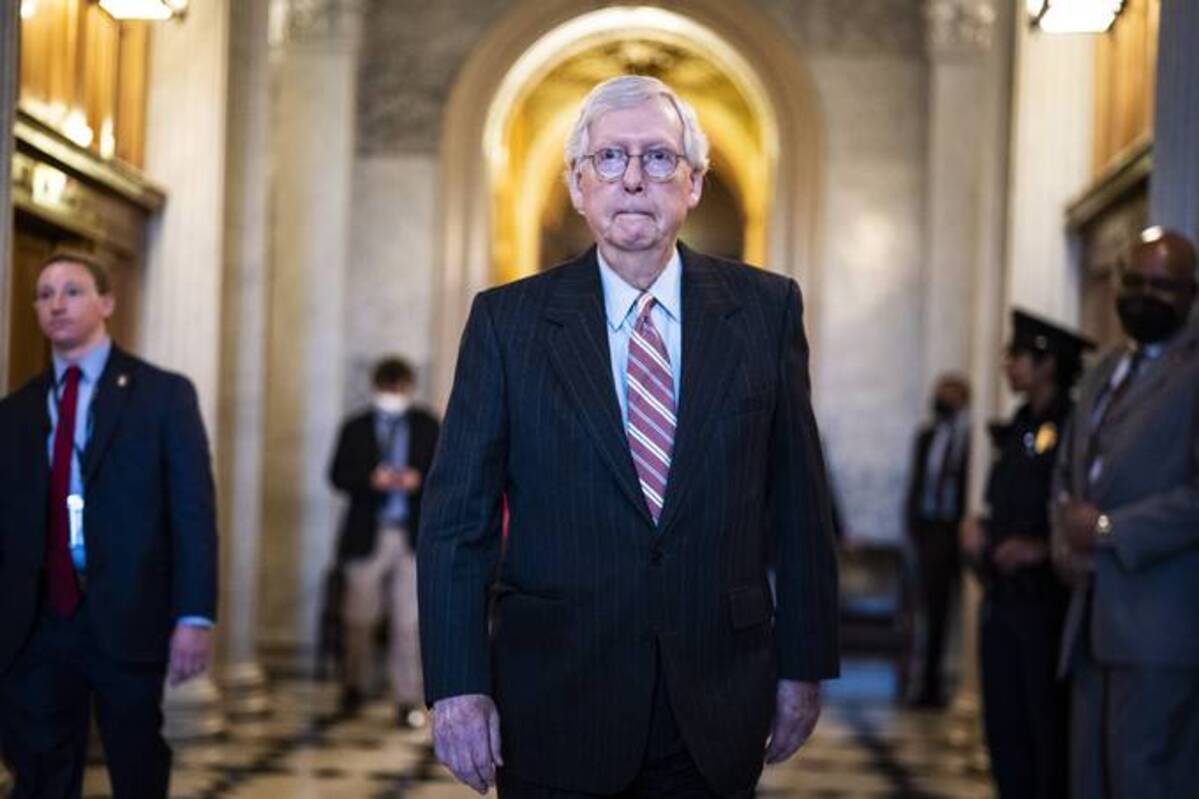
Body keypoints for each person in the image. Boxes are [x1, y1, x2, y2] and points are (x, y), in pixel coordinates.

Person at [417, 75, 840, 798]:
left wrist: (802, 664)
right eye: (610, 159)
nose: (634, 179)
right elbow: (457, 521)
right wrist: (456, 684)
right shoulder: (506, 323)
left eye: (659, 158)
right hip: (554, 695)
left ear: (694, 183)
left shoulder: (765, 311)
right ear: (578, 185)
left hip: (715, 696)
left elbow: (799, 504)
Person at [0, 251, 218, 799]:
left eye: (71, 290)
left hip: (128, 612)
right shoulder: (16, 410)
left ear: (106, 302)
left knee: (136, 761)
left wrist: (194, 616)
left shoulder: (163, 395)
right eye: (44, 293)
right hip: (38, 620)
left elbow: (192, 510)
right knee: (41, 769)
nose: (56, 303)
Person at [1053, 226, 1199, 799]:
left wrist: (1111, 531)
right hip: (1089, 616)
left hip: (1159, 627)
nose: (1144, 296)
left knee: (1144, 780)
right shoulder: (1104, 367)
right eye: (1133, 282)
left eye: (1161, 286)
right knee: (1089, 779)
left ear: (1191, 293)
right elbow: (1067, 470)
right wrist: (1065, 539)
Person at [961, 310, 1092, 798]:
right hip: (1003, 599)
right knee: (1005, 732)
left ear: (1047, 365)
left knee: (1046, 736)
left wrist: (1040, 549)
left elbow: (1072, 505)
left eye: (1017, 357)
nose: (1007, 366)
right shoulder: (1019, 424)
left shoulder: (1073, 425)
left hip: (1046, 604)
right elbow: (1008, 501)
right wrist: (980, 529)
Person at [328, 356, 439, 727]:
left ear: (409, 388)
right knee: (358, 618)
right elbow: (337, 475)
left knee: (409, 623)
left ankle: (407, 698)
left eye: (399, 389)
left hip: (411, 535)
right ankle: (353, 688)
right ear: (376, 387)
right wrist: (370, 479)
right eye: (387, 389)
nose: (393, 395)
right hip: (367, 534)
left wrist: (417, 479)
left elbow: (444, 472)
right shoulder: (356, 426)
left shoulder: (427, 425)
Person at [903, 373, 970, 707]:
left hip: (952, 529)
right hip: (928, 529)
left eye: (949, 394)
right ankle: (923, 682)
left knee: (948, 612)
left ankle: (943, 679)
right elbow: (917, 483)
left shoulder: (968, 438)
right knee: (926, 609)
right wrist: (913, 526)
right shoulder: (927, 436)